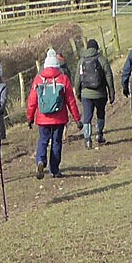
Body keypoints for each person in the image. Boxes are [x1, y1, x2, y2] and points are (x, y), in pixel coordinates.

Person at [27, 49, 82, 179]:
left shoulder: (38, 79)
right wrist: (77, 118)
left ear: (45, 65)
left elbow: (32, 101)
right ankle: (54, 170)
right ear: (57, 65)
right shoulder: (63, 79)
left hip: (42, 118)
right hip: (59, 118)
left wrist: (30, 118)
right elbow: (71, 101)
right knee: (56, 142)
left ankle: (40, 160)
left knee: (43, 140)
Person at [74, 39, 115, 148]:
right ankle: (99, 134)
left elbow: (77, 79)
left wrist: (78, 93)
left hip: (85, 94)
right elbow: (109, 77)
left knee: (87, 116)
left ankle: (87, 139)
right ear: (97, 48)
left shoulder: (81, 61)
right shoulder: (102, 59)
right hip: (100, 93)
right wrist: (111, 93)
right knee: (100, 113)